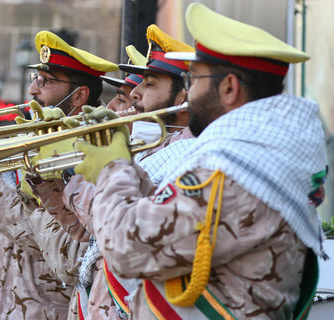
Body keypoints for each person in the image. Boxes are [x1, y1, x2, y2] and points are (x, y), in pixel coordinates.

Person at [72, 3, 327, 319]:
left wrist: (113, 168)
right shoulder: (256, 161)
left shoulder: (233, 175)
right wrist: (127, 165)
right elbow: (168, 214)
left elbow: (127, 247)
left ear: (229, 87)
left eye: (194, 79)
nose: (189, 93)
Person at [0, 30, 118, 319]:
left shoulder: (91, 155)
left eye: (45, 82)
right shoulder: (27, 138)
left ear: (79, 95)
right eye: (35, 79)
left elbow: (69, 256)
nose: (33, 90)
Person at [29, 25, 197, 319]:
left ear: (184, 97)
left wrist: (79, 171)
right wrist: (53, 178)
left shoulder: (187, 156)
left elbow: (119, 232)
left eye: (150, 84)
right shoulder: (153, 147)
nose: (136, 95)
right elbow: (85, 229)